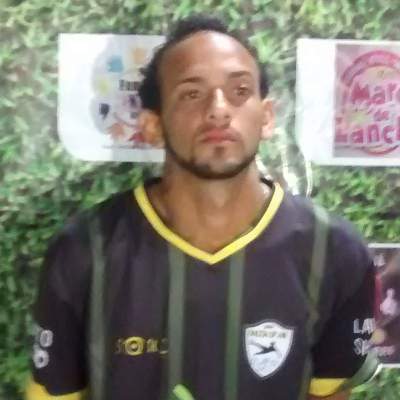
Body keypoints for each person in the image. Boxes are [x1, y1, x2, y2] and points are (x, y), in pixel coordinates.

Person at [25, 15, 379, 400]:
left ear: (266, 117)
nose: (219, 108)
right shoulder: (85, 250)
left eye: (240, 90)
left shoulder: (334, 250)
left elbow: (328, 394)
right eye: (192, 94)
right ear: (153, 126)